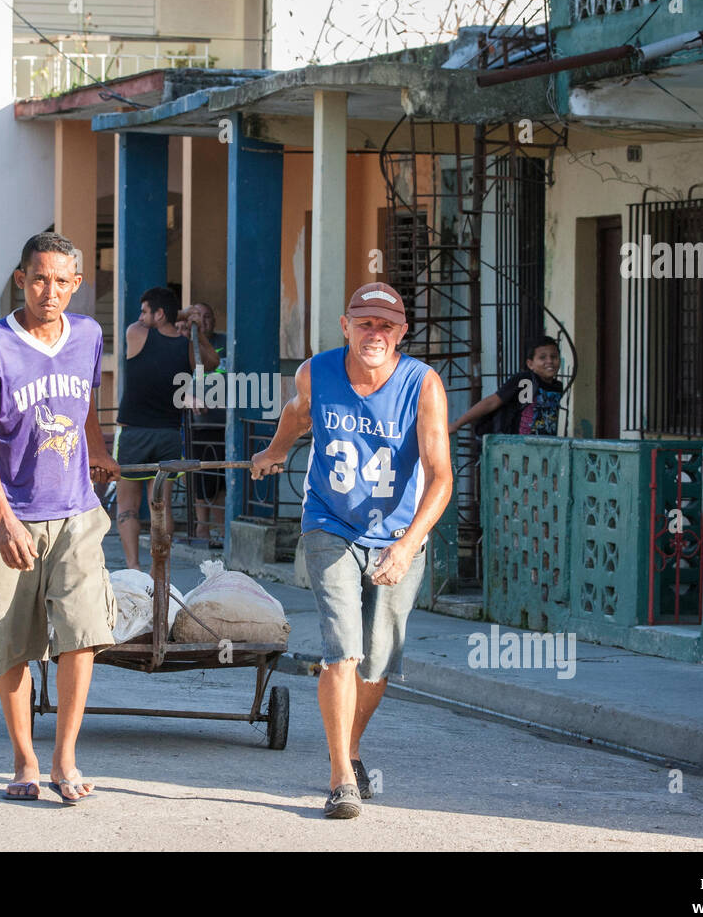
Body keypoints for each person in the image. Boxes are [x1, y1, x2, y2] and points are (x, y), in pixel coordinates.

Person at [251, 282, 453, 820]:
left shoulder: (422, 385)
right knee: (342, 646)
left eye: (386, 326)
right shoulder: (316, 371)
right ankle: (341, 776)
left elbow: (441, 477)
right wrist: (275, 451)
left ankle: (353, 747)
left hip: (398, 533)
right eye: (365, 324)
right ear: (346, 326)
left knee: (378, 660)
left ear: (402, 333)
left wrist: (408, 545)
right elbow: (298, 414)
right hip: (329, 521)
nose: (375, 334)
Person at [0, 231, 122, 805]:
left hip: (77, 512)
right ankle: (25, 761)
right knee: (12, 643)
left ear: (76, 284)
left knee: (83, 635)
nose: (49, 291)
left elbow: (86, 409)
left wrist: (98, 451)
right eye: (39, 278)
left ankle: (65, 758)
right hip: (10, 515)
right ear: (21, 280)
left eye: (61, 280)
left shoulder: (90, 336)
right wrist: (2, 518)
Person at [114, 286, 219, 569]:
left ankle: (133, 566)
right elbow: (211, 362)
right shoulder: (185, 347)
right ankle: (158, 568)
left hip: (134, 431)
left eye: (146, 311)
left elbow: (137, 324)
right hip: (169, 434)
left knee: (127, 506)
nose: (141, 316)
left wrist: (183, 315)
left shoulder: (137, 335)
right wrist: (194, 325)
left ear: (158, 314)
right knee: (160, 505)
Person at [177, 302, 227, 544]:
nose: (204, 322)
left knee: (220, 479)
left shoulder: (226, 342)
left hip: (223, 422)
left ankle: (221, 529)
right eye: (199, 317)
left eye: (208, 317)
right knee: (200, 477)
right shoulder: (184, 344)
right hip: (195, 423)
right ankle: (201, 530)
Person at [448, 335, 564, 437]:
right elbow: (492, 402)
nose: (549, 361)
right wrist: (457, 424)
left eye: (554, 357)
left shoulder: (557, 387)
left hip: (544, 450)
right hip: (516, 449)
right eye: (542, 357)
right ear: (530, 364)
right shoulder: (526, 380)